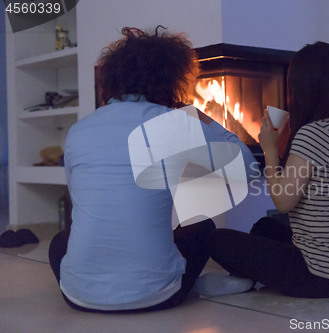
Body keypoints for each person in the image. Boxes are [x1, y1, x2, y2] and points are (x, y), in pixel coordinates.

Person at [48, 26, 257, 312]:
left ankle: (98, 281)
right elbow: (248, 167)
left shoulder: (77, 131)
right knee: (202, 227)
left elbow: (83, 202)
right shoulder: (174, 123)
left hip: (78, 298)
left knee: (60, 242)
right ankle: (191, 284)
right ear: (169, 79)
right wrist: (200, 117)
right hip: (158, 297)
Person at [203, 42, 329, 298]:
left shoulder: (314, 132)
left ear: (302, 87)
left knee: (216, 240)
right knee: (264, 227)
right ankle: (249, 277)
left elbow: (282, 202)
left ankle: (245, 280)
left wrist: (269, 148)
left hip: (320, 275)